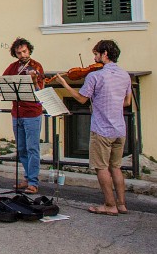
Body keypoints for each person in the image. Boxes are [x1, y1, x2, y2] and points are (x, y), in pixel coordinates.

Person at [54, 40, 132, 216]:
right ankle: (121, 204)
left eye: (96, 54)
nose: (94, 58)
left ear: (104, 54)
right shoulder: (125, 75)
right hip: (120, 128)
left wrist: (64, 83)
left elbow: (81, 99)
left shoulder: (95, 76)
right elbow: (127, 102)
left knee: (101, 167)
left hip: (102, 129)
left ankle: (109, 205)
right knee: (116, 167)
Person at [0, 37, 44, 194]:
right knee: (21, 148)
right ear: (15, 53)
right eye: (19, 53)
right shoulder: (13, 67)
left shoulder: (36, 66)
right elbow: (0, 83)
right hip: (17, 112)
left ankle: (33, 182)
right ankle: (27, 178)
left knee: (33, 148)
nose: (22, 55)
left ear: (29, 50)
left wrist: (34, 80)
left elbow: (40, 91)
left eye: (25, 51)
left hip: (32, 112)